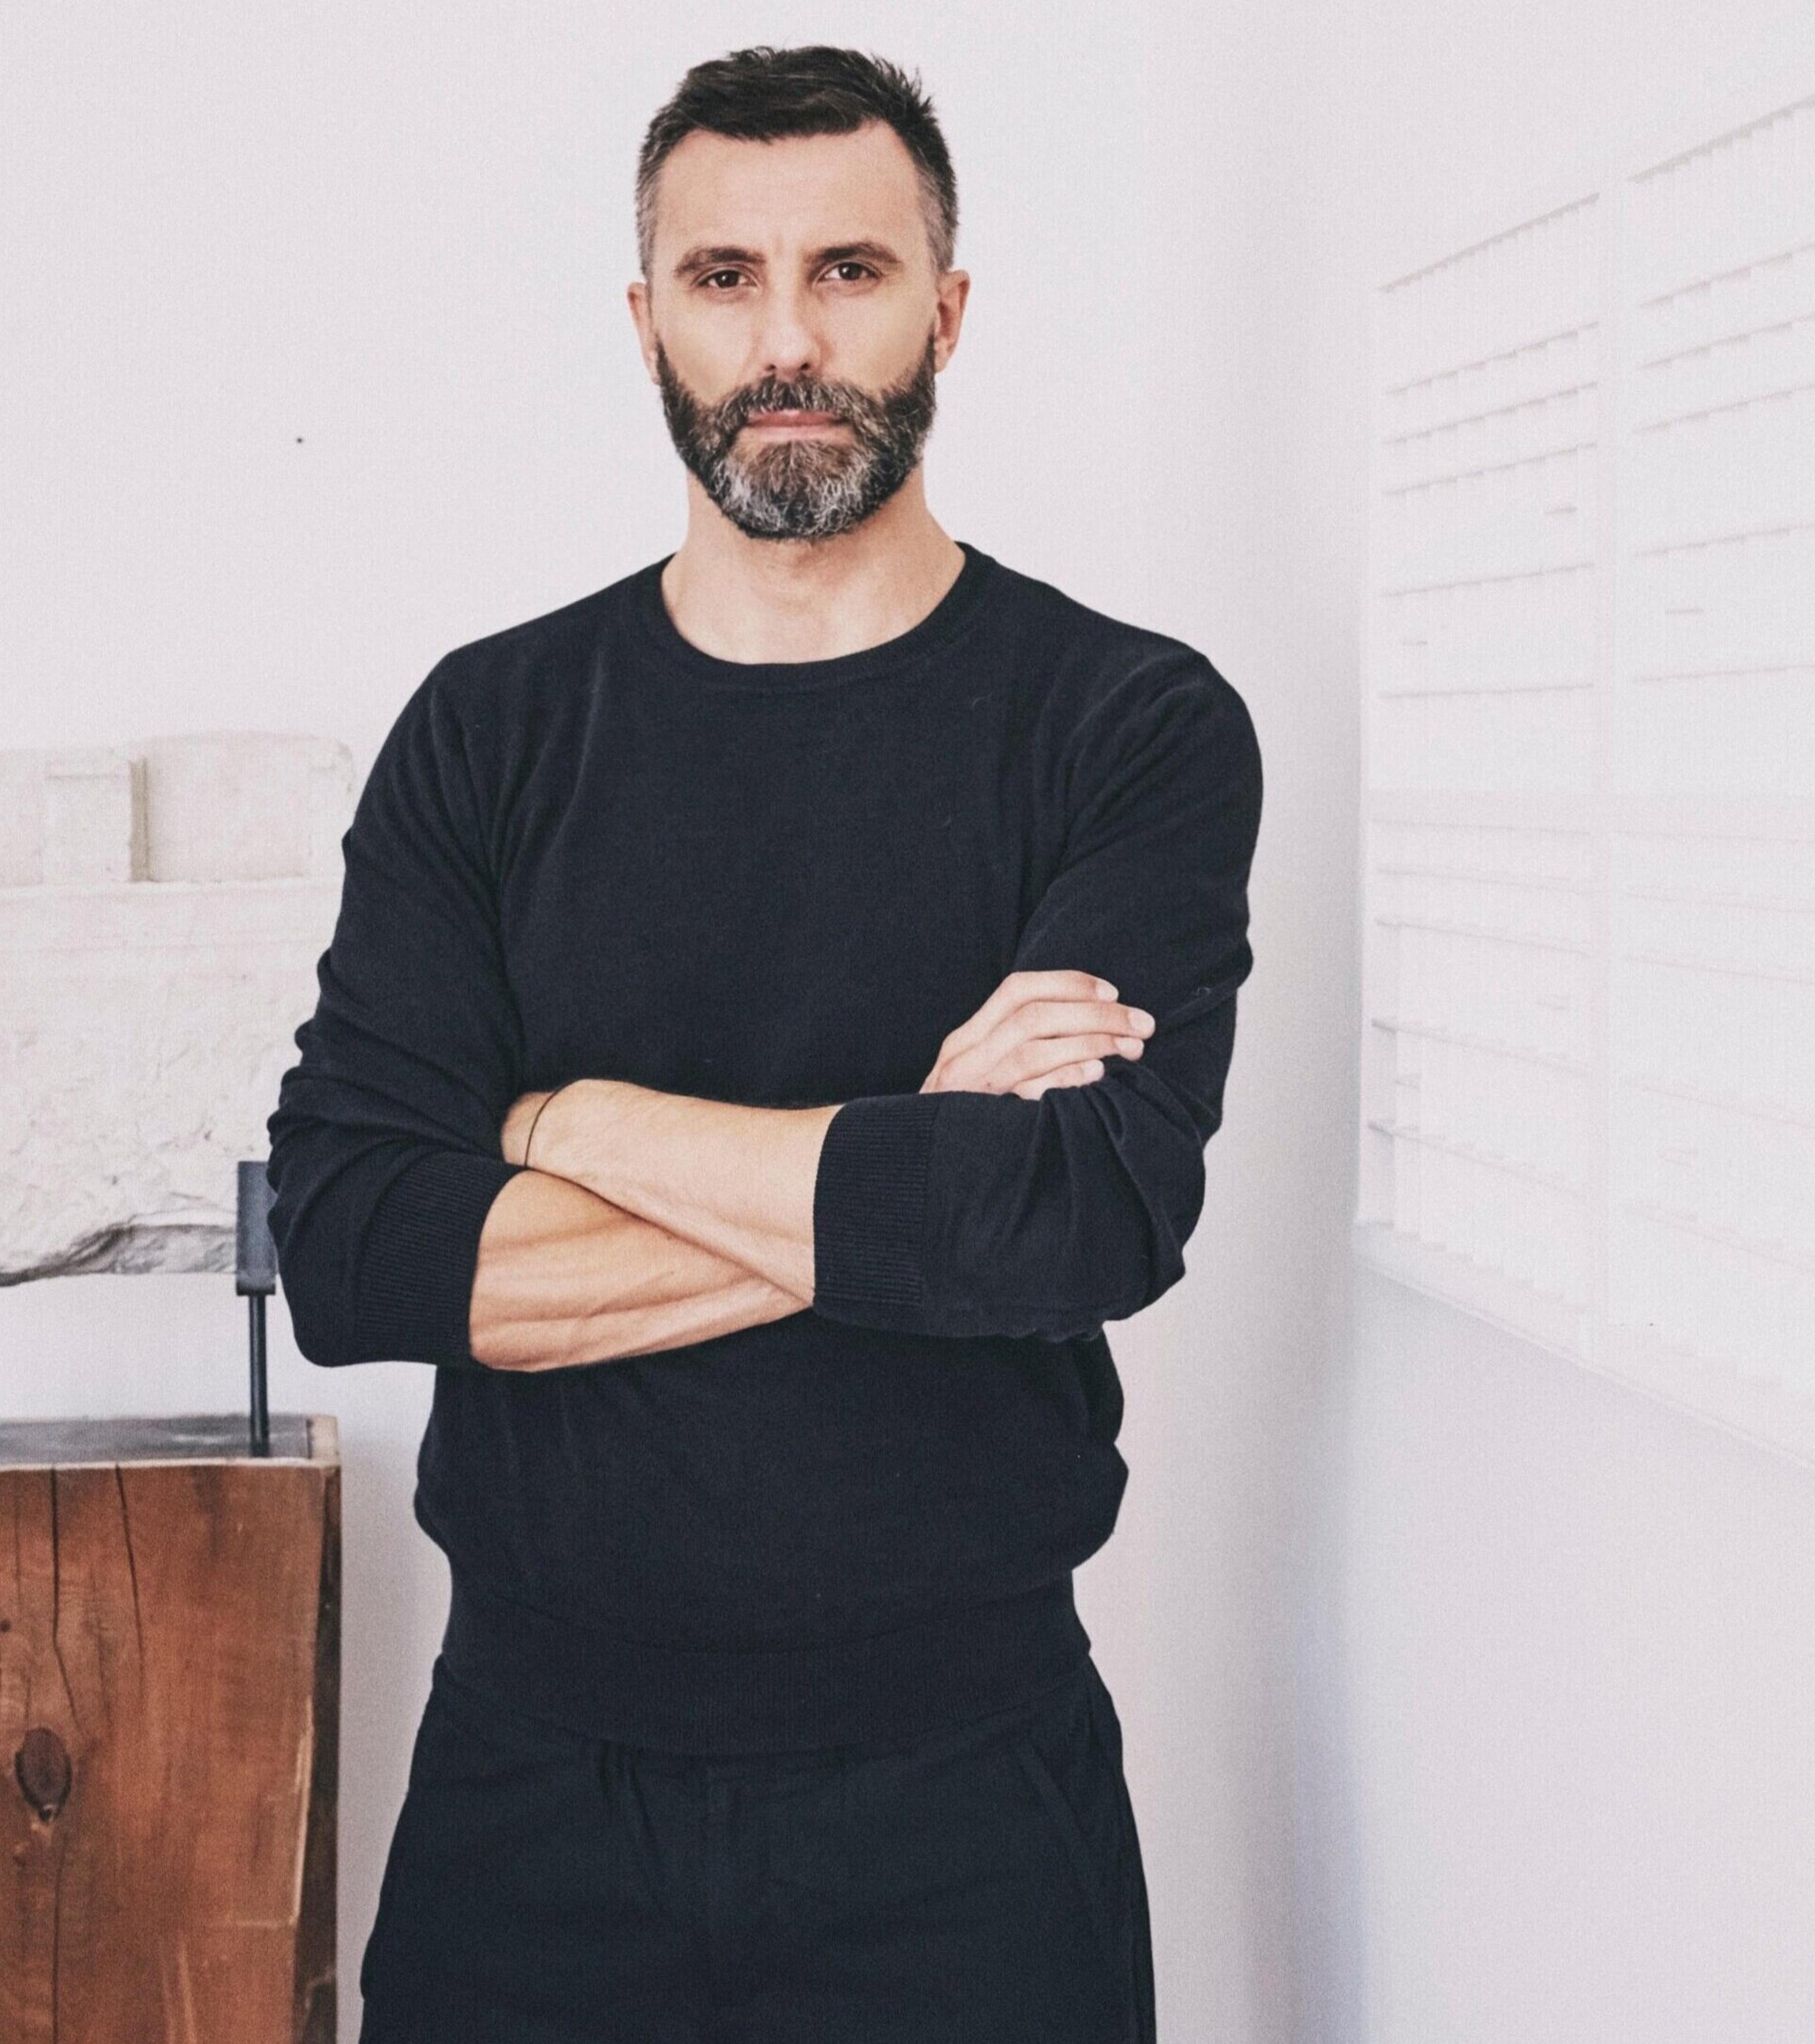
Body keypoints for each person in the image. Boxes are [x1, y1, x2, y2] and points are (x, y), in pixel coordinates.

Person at [267, 41, 1261, 2044]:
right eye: (726, 277)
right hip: (532, 1799)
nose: (788, 342)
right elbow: (359, 1248)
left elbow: (1071, 1221)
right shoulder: (488, 731)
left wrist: (559, 1119)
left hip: (968, 1815)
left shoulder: (1129, 725)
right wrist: (911, 1151)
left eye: (849, 272)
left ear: (946, 312)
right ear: (647, 319)